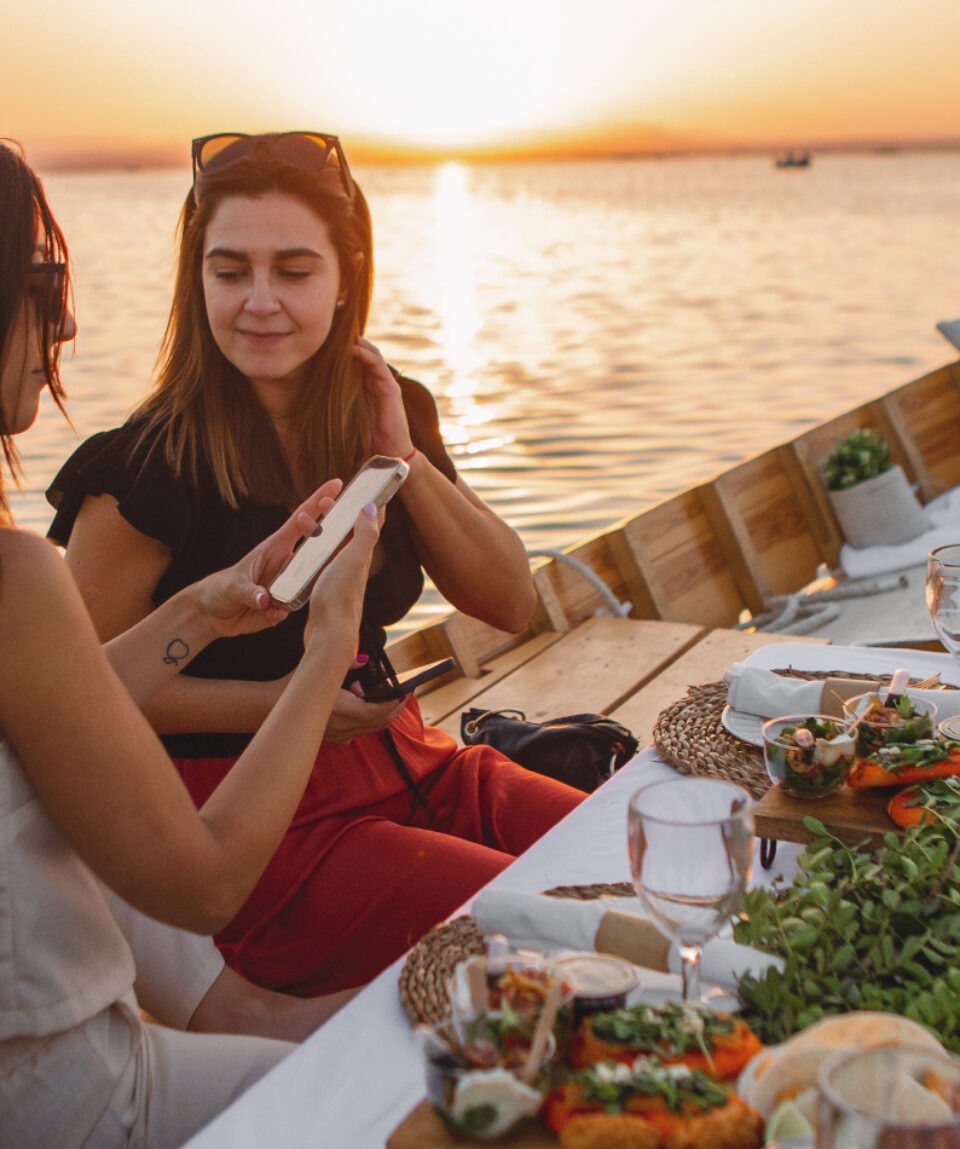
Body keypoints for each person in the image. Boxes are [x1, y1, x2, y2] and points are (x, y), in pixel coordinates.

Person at [49, 131, 584, 997]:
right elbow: (80, 702)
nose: (260, 301)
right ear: (198, 281)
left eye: (294, 271)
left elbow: (511, 599)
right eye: (230, 272)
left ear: (347, 276)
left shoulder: (390, 406)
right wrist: (279, 704)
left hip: (417, 757)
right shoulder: (144, 468)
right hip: (259, 817)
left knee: (613, 858)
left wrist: (402, 461)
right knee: (536, 932)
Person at [0, 140, 380, 1148]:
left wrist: (200, 613)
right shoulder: (14, 576)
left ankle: (250, 1013)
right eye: (39, 284)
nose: (66, 321)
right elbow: (206, 882)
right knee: (395, 1094)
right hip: (61, 1087)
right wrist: (319, 652)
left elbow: (41, 712)